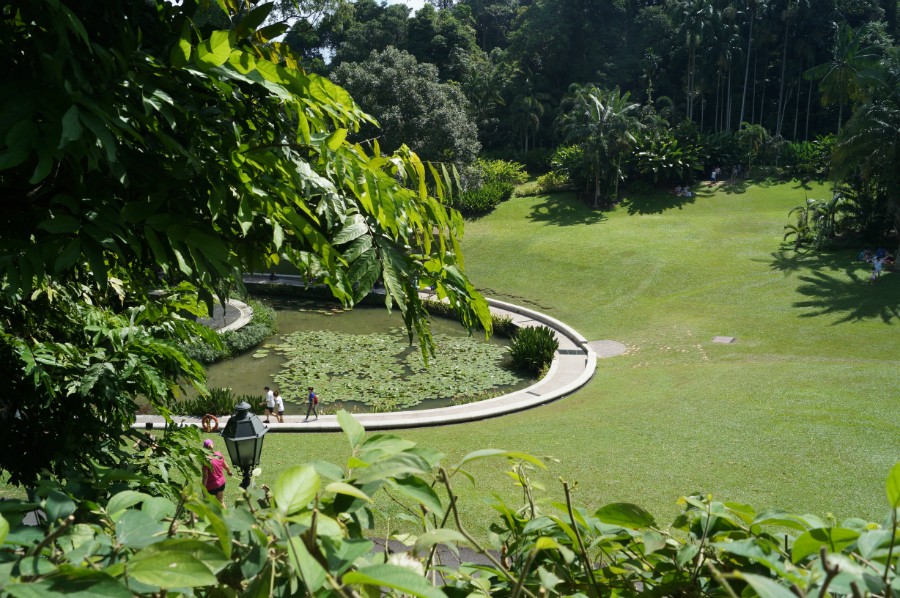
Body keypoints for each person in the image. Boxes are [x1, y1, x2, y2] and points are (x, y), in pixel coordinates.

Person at [201, 439, 233, 508]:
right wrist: (229, 472)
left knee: (208, 504)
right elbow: (226, 466)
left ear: (204, 448)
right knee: (221, 501)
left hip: (211, 487)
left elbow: (205, 477)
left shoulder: (206, 460)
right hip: (221, 484)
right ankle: (226, 517)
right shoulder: (218, 454)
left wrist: (203, 489)